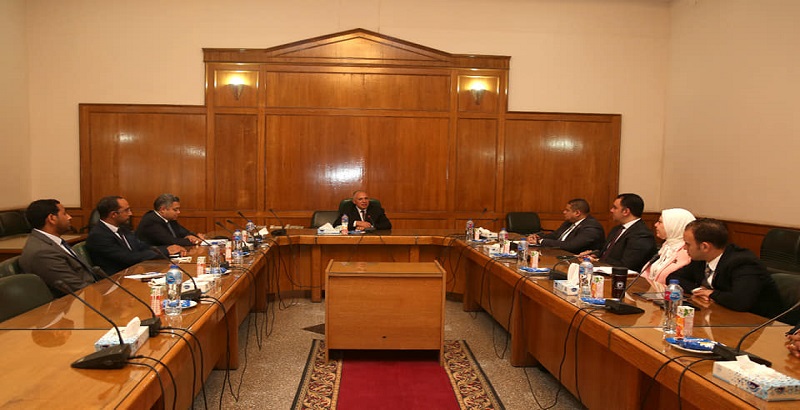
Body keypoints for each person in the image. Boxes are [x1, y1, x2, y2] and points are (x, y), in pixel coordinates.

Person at [666, 218, 782, 318]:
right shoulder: (701, 259)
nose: (684, 248)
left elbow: (740, 301)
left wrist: (711, 294)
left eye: (688, 244)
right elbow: (673, 277)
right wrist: (698, 290)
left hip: (758, 323)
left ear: (705, 247)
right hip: (720, 315)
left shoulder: (744, 263)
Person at [86, 196, 186, 275]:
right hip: (115, 279)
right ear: (113, 215)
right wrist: (166, 251)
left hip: (133, 271)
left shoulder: (122, 229)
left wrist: (167, 249)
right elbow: (128, 258)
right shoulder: (99, 236)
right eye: (126, 210)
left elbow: (142, 246)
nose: (130, 213)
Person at [18, 199, 96, 296]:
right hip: (75, 300)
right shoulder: (43, 252)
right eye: (64, 214)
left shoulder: (53, 242)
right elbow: (75, 287)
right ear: (52, 218)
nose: (69, 217)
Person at [580, 193, 657, 272]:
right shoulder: (617, 229)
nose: (611, 210)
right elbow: (607, 252)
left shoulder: (642, 234)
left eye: (615, 208)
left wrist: (598, 261)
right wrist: (593, 255)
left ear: (626, 211)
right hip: (604, 270)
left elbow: (627, 265)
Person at [640, 208, 696, 285]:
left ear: (674, 226)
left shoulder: (688, 251)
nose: (655, 225)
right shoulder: (667, 245)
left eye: (660, 222)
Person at [527, 198, 605, 254]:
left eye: (567, 210)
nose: (564, 212)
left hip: (576, 261)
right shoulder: (569, 222)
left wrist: (541, 241)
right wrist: (538, 237)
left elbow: (570, 246)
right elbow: (555, 235)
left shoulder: (591, 228)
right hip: (558, 254)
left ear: (577, 213)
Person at [136, 193, 205, 247]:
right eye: (175, 210)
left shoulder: (170, 219)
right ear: (162, 209)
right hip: (150, 259)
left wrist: (194, 236)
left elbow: (184, 232)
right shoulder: (151, 221)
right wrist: (195, 240)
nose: (178, 212)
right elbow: (170, 242)